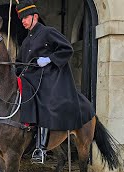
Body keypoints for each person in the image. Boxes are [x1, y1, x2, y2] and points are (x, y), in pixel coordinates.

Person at [15, 0, 95, 163]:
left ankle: (41, 149)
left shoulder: (48, 32)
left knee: (43, 103)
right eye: (21, 18)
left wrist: (49, 59)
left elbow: (67, 49)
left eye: (25, 17)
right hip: (29, 79)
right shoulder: (25, 41)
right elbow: (19, 62)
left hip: (48, 79)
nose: (23, 21)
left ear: (34, 16)